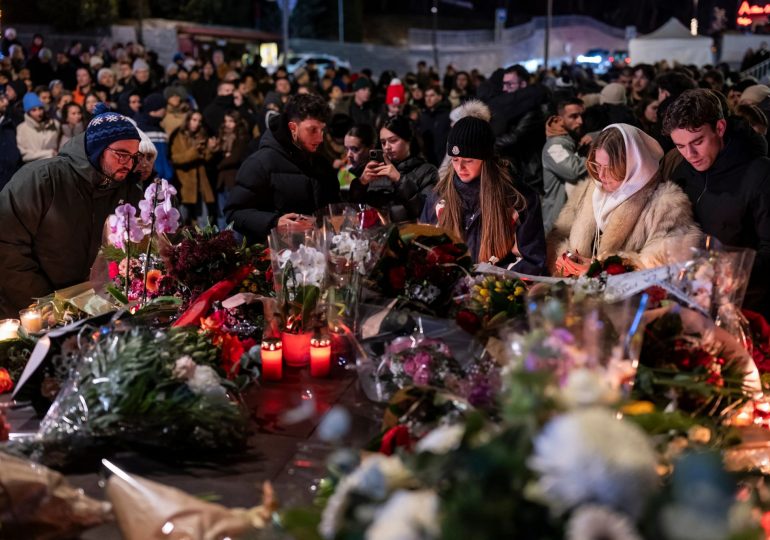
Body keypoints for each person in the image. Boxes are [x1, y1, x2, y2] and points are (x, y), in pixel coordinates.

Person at [0, 108, 142, 316]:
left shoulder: (127, 190)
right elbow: (7, 247)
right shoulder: (42, 179)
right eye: (121, 154)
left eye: (134, 156)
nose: (129, 164)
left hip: (93, 310)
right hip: (28, 311)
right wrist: (46, 303)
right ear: (97, 148)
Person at [664, 89, 770, 317]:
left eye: (698, 141)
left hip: (746, 307)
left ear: (720, 128)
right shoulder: (683, 172)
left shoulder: (759, 173)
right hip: (692, 300)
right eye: (680, 146)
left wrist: (725, 271)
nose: (690, 154)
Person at [548, 123, 700, 275]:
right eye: (597, 165)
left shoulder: (666, 205)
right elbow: (558, 236)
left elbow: (662, 264)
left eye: (609, 168)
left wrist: (602, 268)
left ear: (633, 164)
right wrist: (566, 259)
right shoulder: (588, 190)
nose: (601, 176)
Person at [421, 116, 546, 273]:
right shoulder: (438, 198)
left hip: (496, 291)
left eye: (468, 160)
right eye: (455, 159)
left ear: (486, 159)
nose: (460, 167)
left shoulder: (518, 200)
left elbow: (532, 261)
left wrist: (488, 280)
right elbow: (423, 252)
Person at [225, 93, 339, 243]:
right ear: (293, 127)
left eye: (322, 130)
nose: (320, 138)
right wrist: (274, 222)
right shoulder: (260, 162)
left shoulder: (321, 162)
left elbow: (334, 206)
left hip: (317, 254)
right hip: (273, 257)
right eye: (312, 130)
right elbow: (234, 212)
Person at [350, 115, 438, 222]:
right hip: (375, 232)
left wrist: (400, 180)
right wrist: (361, 183)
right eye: (383, 142)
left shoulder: (427, 171)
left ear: (408, 140)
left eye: (393, 140)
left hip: (408, 233)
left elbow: (427, 211)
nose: (387, 147)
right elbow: (353, 209)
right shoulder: (376, 167)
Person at [541, 97, 590, 233]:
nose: (580, 121)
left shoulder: (572, 141)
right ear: (559, 119)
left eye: (581, 116)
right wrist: (597, 159)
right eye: (573, 116)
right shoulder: (554, 146)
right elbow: (573, 170)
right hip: (558, 224)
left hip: (570, 221)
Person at [170, 110, 217, 224]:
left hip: (200, 185)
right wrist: (195, 151)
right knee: (179, 220)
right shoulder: (178, 136)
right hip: (185, 184)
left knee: (204, 221)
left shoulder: (202, 135)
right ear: (188, 120)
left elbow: (206, 159)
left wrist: (210, 149)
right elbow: (176, 158)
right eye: (194, 120)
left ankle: (204, 242)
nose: (197, 123)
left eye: (199, 121)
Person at [16, 92, 59, 163]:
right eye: (34, 110)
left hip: (52, 166)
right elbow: (25, 155)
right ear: (28, 112)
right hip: (33, 169)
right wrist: (49, 153)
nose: (39, 113)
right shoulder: (21, 128)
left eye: (40, 108)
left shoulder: (54, 124)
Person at [0, 92, 21, 190]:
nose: (6, 102)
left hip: (11, 176)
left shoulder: (12, 122)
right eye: (1, 100)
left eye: (5, 99)